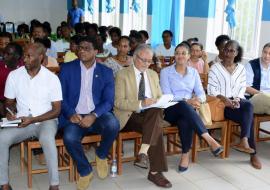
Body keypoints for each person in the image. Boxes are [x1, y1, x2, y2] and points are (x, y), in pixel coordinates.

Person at [59, 36, 120, 190]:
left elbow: (108, 101)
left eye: (86, 48)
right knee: (69, 137)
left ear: (96, 51)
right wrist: (71, 114)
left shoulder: (105, 71)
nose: (82, 51)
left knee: (113, 124)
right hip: (76, 115)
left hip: (97, 114)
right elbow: (61, 97)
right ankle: (85, 170)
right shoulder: (67, 68)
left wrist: (93, 115)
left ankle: (101, 154)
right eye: (80, 47)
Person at [0, 42, 62, 190]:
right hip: (22, 121)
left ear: (41, 57)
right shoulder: (14, 76)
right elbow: (8, 103)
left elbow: (56, 111)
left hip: (46, 120)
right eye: (24, 56)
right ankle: (3, 183)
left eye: (29, 56)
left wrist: (33, 119)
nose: (25, 60)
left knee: (47, 139)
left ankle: (54, 185)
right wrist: (10, 112)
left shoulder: (51, 79)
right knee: (1, 138)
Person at [114, 44, 172, 188]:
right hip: (130, 115)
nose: (147, 64)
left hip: (151, 114)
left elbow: (158, 96)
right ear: (134, 58)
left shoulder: (152, 74)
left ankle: (143, 153)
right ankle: (155, 173)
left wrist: (159, 101)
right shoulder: (122, 74)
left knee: (155, 114)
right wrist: (141, 103)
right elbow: (118, 102)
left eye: (149, 61)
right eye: (143, 60)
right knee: (156, 127)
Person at [160, 42, 223, 172]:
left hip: (188, 110)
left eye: (183, 53)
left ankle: (185, 155)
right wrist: (187, 101)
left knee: (185, 120)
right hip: (170, 109)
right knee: (183, 105)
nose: (180, 56)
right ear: (174, 55)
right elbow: (167, 95)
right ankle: (208, 138)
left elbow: (201, 92)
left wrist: (198, 100)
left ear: (189, 56)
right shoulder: (165, 72)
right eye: (177, 53)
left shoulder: (193, 73)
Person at [207, 40, 262, 169]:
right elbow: (211, 90)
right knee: (250, 118)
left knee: (248, 105)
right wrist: (224, 99)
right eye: (226, 49)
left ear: (237, 53)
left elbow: (242, 88)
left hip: (237, 102)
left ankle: (244, 141)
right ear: (222, 50)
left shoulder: (241, 69)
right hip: (221, 105)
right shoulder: (215, 67)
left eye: (232, 50)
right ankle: (252, 153)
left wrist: (236, 100)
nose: (228, 53)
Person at [245, 43, 270, 114]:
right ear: (262, 52)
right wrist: (262, 94)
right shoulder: (251, 65)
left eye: (269, 53)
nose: (267, 56)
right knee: (264, 98)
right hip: (254, 98)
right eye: (265, 52)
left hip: (267, 102)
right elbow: (246, 87)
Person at [0, 43, 24, 117]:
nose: (4, 56)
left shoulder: (25, 67)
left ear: (17, 56)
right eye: (4, 53)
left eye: (8, 54)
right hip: (2, 101)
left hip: (21, 102)